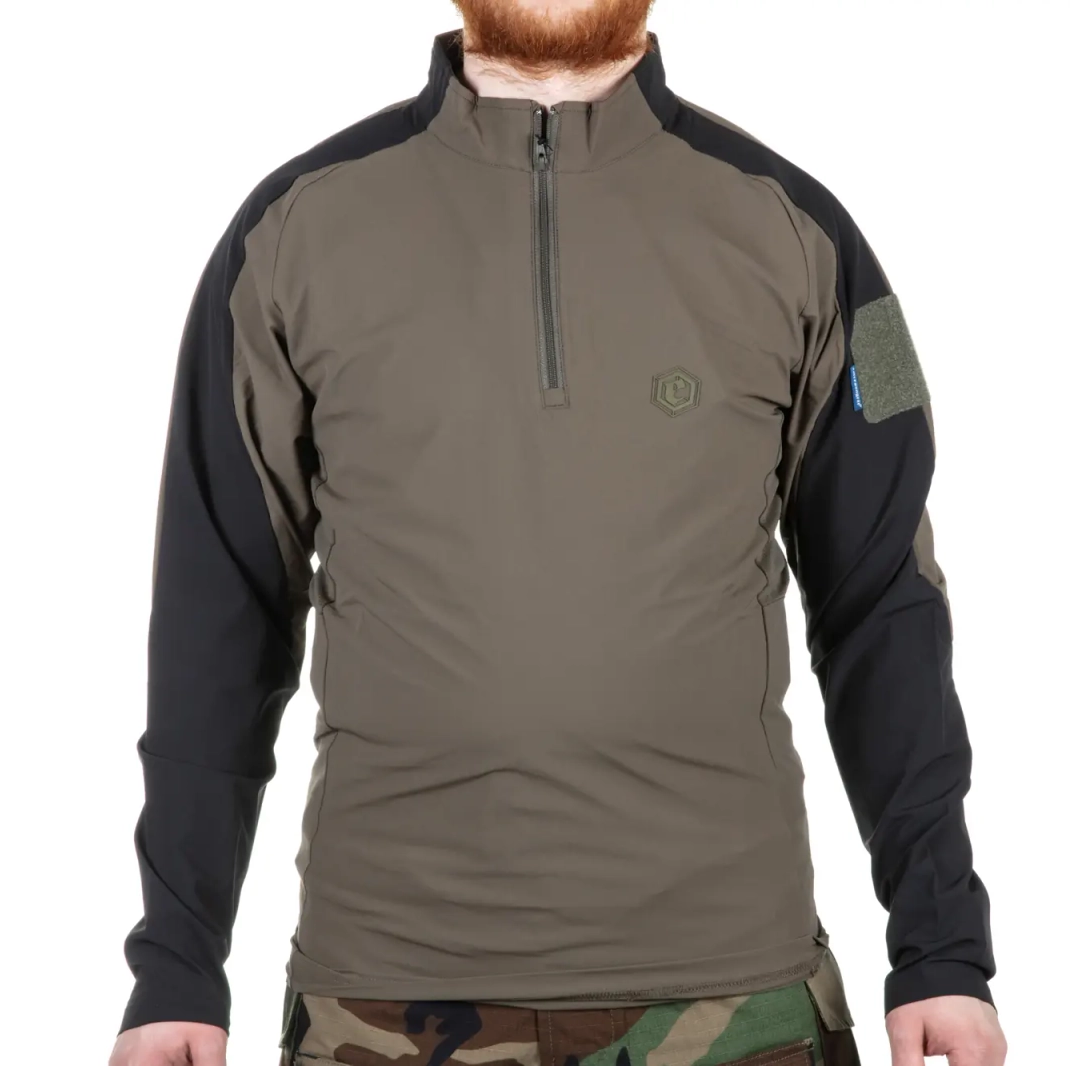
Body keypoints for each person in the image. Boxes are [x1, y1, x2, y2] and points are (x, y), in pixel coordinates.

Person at [109, 1, 1006, 1064]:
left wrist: (942, 945)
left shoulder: (810, 232)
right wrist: (176, 962)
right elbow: (218, 605)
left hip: (737, 998)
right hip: (382, 1002)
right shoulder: (283, 233)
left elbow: (886, 600)